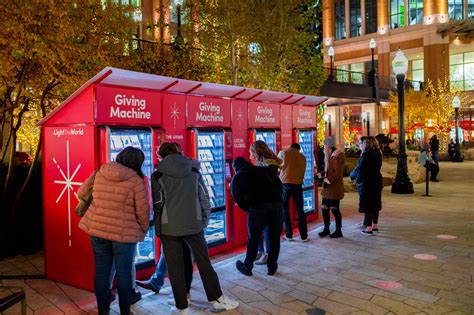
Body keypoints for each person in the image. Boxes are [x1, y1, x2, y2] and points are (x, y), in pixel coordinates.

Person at [152, 142, 238, 314]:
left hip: (169, 228)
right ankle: (217, 299)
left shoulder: (157, 176)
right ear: (179, 152)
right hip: (194, 225)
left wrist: (159, 230)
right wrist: (204, 220)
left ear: (161, 156)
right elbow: (204, 197)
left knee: (175, 268)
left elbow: (158, 206)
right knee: (204, 263)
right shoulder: (193, 171)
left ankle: (181, 306)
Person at [78, 147, 150, 315]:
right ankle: (125, 312)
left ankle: (103, 312)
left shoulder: (100, 172)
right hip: (124, 234)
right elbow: (143, 211)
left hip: (97, 229)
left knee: (101, 271)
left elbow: (81, 192)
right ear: (138, 163)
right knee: (124, 274)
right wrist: (143, 228)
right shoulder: (136, 180)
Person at [230, 157, 283, 276]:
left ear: (235, 168)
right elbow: (279, 185)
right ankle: (272, 267)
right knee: (274, 238)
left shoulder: (238, 176)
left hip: (257, 208)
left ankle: (247, 267)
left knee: (253, 238)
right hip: (276, 206)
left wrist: (248, 207)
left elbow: (237, 197)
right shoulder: (264, 170)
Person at [248, 140, 282, 264]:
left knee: (263, 230)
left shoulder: (264, 165)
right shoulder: (272, 162)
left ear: (256, 152)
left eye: (251, 152)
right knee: (268, 231)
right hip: (274, 200)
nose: (250, 154)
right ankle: (264, 253)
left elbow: (261, 183)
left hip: (264, 201)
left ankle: (266, 255)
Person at [279, 143, 309, 242]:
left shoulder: (284, 153)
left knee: (284, 208)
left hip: (285, 184)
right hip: (298, 185)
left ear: (290, 147)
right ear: (298, 149)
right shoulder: (302, 157)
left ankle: (289, 234)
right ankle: (304, 236)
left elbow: (277, 167)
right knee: (300, 210)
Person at [317, 136, 345, 238]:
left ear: (329, 147)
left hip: (334, 188)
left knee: (334, 209)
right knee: (324, 208)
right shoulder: (330, 157)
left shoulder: (336, 157)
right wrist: (322, 174)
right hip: (328, 188)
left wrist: (328, 179)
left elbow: (338, 173)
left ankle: (338, 230)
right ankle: (326, 229)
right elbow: (329, 170)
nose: (324, 149)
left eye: (325, 147)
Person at [356, 137, 383, 235]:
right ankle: (375, 225)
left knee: (368, 205)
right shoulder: (378, 153)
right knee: (375, 203)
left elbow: (362, 170)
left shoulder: (366, 155)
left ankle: (369, 227)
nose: (362, 145)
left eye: (364, 143)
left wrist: (358, 181)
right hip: (377, 180)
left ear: (367, 144)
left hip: (368, 182)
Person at [349, 136, 367, 227]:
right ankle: (369, 223)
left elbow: (360, 169)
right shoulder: (374, 153)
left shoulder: (365, 155)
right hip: (367, 182)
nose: (359, 145)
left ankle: (367, 223)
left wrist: (353, 177)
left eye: (360, 143)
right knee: (369, 203)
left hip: (363, 183)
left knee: (366, 203)